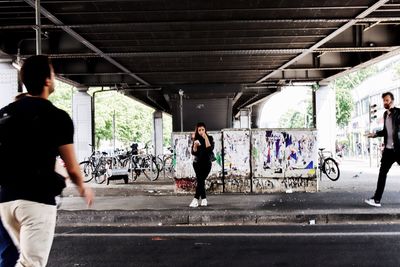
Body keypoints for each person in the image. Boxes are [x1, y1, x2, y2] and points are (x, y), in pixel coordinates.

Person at [0, 55, 94, 267]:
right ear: (47, 81)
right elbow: (71, 166)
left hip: (6, 202)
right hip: (36, 201)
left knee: (20, 260)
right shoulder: (57, 117)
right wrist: (82, 188)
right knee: (31, 264)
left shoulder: (5, 113)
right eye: (52, 73)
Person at [0, 92, 28, 267]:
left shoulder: (4, 130)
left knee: (8, 250)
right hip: (24, 200)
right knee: (27, 252)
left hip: (4, 198)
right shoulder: (28, 136)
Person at [365, 92, 400, 207]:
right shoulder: (385, 114)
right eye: (384, 100)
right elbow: (385, 131)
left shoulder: (398, 113)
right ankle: (376, 199)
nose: (385, 102)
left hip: (399, 149)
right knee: (382, 173)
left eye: (387, 100)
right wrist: (374, 134)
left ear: (392, 100)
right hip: (388, 151)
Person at [189, 122, 214, 208]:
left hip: (207, 164)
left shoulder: (210, 138)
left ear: (205, 130)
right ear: (197, 131)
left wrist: (205, 137)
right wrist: (195, 146)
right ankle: (202, 199)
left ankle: (198, 199)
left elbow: (209, 149)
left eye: (203, 129)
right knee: (200, 181)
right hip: (197, 164)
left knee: (201, 180)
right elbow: (193, 153)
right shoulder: (196, 139)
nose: (201, 131)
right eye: (199, 130)